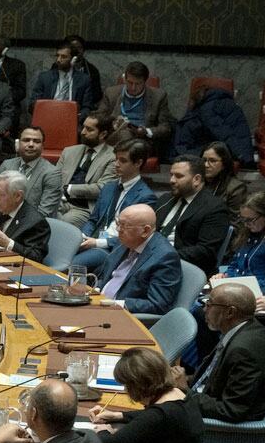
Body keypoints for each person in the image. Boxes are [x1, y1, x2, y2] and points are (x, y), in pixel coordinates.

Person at [90, 347, 210, 443]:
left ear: (137, 385)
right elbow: (154, 417)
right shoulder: (180, 395)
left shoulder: (157, 417)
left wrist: (102, 430)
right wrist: (119, 415)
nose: (126, 390)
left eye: (127, 385)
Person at [191, 280, 265, 423]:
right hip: (209, 397)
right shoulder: (243, 327)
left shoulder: (244, 351)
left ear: (230, 312)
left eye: (209, 305)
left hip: (221, 430)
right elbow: (212, 374)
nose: (204, 310)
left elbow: (231, 410)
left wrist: (185, 394)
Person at [70, 138, 156, 267]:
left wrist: (97, 242)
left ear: (138, 163)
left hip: (115, 249)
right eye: (116, 159)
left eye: (123, 161)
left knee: (72, 264)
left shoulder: (145, 197)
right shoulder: (108, 187)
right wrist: (83, 236)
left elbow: (135, 238)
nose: (116, 164)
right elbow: (93, 220)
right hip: (93, 240)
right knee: (58, 250)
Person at [90, 203, 183, 318]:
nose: (119, 230)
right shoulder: (126, 240)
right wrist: (95, 290)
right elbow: (106, 276)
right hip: (96, 304)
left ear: (145, 231)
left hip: (121, 316)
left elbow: (158, 305)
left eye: (124, 226)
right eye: (118, 223)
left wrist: (114, 304)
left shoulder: (165, 257)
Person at [153, 154, 231, 273]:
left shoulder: (215, 208)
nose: (172, 180)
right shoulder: (165, 199)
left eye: (178, 176)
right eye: (171, 175)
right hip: (153, 260)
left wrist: (163, 256)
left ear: (197, 179)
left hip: (183, 267)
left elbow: (205, 250)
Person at [216, 190, 265, 297]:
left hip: (257, 294)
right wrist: (224, 277)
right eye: (243, 219)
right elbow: (234, 264)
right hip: (237, 288)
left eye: (250, 220)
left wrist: (235, 285)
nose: (247, 224)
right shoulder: (247, 233)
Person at [98, 60, 175, 155]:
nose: (133, 87)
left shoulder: (158, 96)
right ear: (124, 79)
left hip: (143, 140)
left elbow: (165, 127)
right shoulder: (111, 93)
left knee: (126, 137)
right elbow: (99, 118)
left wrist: (146, 131)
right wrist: (113, 124)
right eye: (130, 83)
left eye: (138, 84)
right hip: (115, 135)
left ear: (145, 82)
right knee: (123, 133)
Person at [0, 167, 53, 263]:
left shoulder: (36, 222)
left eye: (0, 195)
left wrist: (8, 243)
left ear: (18, 196)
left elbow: (36, 257)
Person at [55, 112, 118, 223]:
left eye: (89, 129)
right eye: (83, 127)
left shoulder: (113, 157)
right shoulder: (69, 151)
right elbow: (54, 178)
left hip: (84, 207)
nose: (83, 132)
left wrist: (70, 189)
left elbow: (102, 188)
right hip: (59, 201)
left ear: (103, 134)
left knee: (64, 223)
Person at [27, 40, 97, 119]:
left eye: (63, 57)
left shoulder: (83, 79)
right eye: (57, 56)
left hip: (73, 119)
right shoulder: (45, 77)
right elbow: (32, 104)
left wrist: (77, 118)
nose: (58, 60)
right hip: (48, 117)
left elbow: (87, 107)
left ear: (73, 59)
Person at [198, 140, 251, 215]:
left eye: (212, 161)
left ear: (224, 164)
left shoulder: (236, 188)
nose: (206, 165)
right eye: (204, 160)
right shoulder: (196, 182)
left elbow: (237, 223)